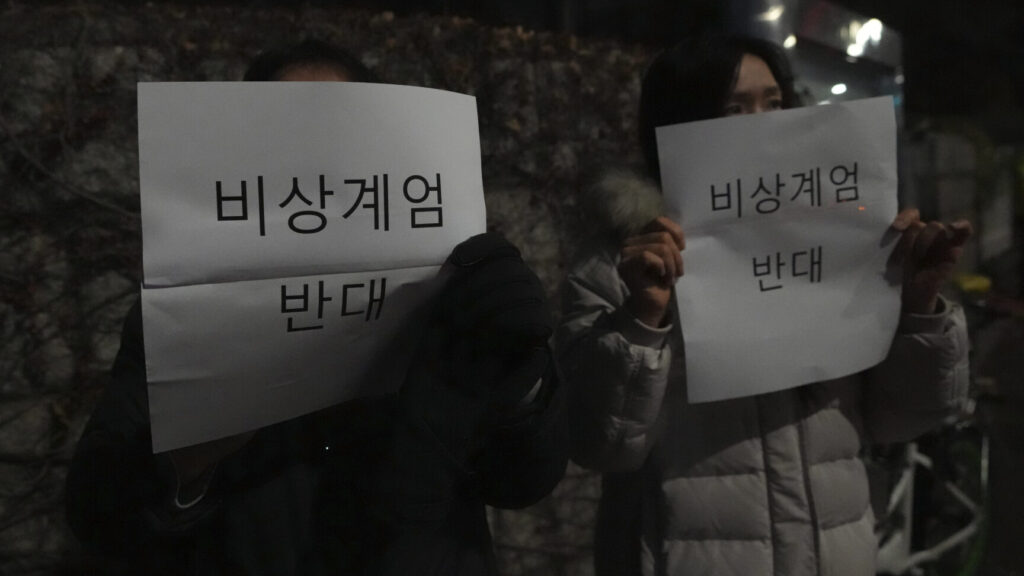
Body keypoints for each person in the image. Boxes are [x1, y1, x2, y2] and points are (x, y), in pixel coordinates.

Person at [66, 40, 568, 575]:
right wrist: (186, 456)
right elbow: (100, 516)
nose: (312, 158)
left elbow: (523, 480)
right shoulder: (180, 314)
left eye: (335, 128)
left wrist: (522, 375)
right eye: (284, 128)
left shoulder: (443, 291)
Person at [556, 35, 971, 576]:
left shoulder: (840, 240)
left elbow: (906, 416)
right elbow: (600, 445)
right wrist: (641, 321)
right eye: (733, 109)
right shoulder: (618, 265)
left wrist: (918, 303)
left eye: (773, 104)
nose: (762, 124)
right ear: (677, 127)